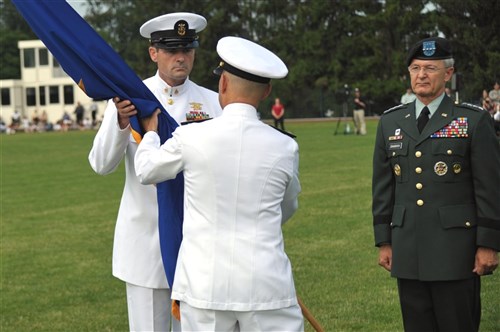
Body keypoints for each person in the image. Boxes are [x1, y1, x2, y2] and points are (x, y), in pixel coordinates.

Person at [134, 36, 303, 332]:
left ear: (222, 84)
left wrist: (150, 133)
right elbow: (287, 207)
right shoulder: (284, 147)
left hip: (204, 285)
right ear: (267, 92)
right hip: (266, 283)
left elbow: (147, 170)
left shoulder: (192, 137)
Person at [88, 12, 221, 332]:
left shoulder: (214, 102)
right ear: (153, 53)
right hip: (145, 245)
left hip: (197, 245)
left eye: (187, 49)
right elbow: (101, 164)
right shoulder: (130, 99)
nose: (181, 57)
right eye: (172, 49)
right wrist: (121, 123)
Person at [372, 36, 500, 332]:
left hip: (456, 252)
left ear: (448, 74)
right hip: (408, 250)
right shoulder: (391, 122)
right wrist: (384, 241)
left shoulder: (472, 120)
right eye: (415, 68)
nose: (421, 75)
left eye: (430, 68)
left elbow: (490, 188)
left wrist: (488, 244)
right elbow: (382, 188)